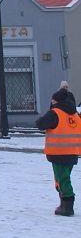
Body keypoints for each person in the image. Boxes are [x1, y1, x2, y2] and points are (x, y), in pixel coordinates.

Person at [36, 81, 80, 216]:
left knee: (62, 179)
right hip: (73, 153)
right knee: (63, 177)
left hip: (58, 152)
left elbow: (40, 124)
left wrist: (52, 107)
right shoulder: (75, 115)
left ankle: (67, 205)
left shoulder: (55, 113)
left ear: (56, 101)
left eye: (53, 101)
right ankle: (64, 202)